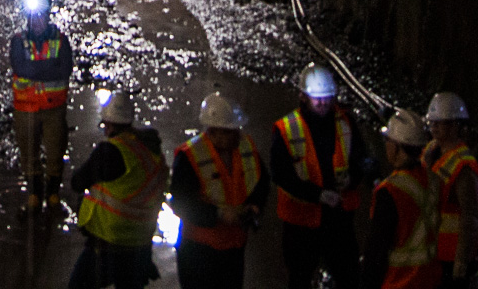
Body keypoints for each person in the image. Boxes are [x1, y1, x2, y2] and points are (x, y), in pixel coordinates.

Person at [271, 63, 372, 289]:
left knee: (349, 277)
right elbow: (281, 174)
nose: (323, 103)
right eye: (317, 98)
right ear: (303, 97)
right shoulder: (287, 129)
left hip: (339, 220)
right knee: (299, 279)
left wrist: (351, 179)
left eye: (327, 97)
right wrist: (317, 195)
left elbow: (361, 158)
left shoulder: (345, 122)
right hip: (301, 225)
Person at [69, 90, 168, 289]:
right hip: (140, 244)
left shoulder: (110, 151)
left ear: (108, 124)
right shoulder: (149, 150)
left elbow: (77, 182)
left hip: (109, 243)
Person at [170, 91, 269, 289]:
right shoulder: (190, 156)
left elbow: (261, 181)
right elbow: (181, 203)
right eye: (230, 131)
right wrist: (219, 214)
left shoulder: (245, 148)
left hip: (233, 249)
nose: (236, 135)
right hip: (198, 252)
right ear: (214, 131)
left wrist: (255, 206)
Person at [362, 108, 441, 289]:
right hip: (430, 280)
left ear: (397, 146)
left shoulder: (389, 191)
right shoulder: (434, 180)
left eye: (388, 141)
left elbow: (376, 252)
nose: (386, 146)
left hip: (399, 282)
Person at [11, 0, 73, 212]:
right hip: (25, 108)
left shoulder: (61, 41)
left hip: (53, 108)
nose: (37, 22)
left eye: (41, 17)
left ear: (48, 17)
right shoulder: (18, 41)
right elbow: (20, 68)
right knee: (29, 154)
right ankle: (34, 195)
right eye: (33, 17)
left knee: (55, 152)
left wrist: (35, 70)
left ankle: (53, 194)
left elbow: (64, 70)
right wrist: (49, 67)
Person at [421, 93, 478, 286]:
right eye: (432, 123)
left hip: (449, 254)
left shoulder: (463, 165)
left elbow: (469, 216)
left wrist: (461, 262)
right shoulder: (430, 151)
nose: (434, 127)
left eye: (440, 123)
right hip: (429, 249)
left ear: (455, 125)